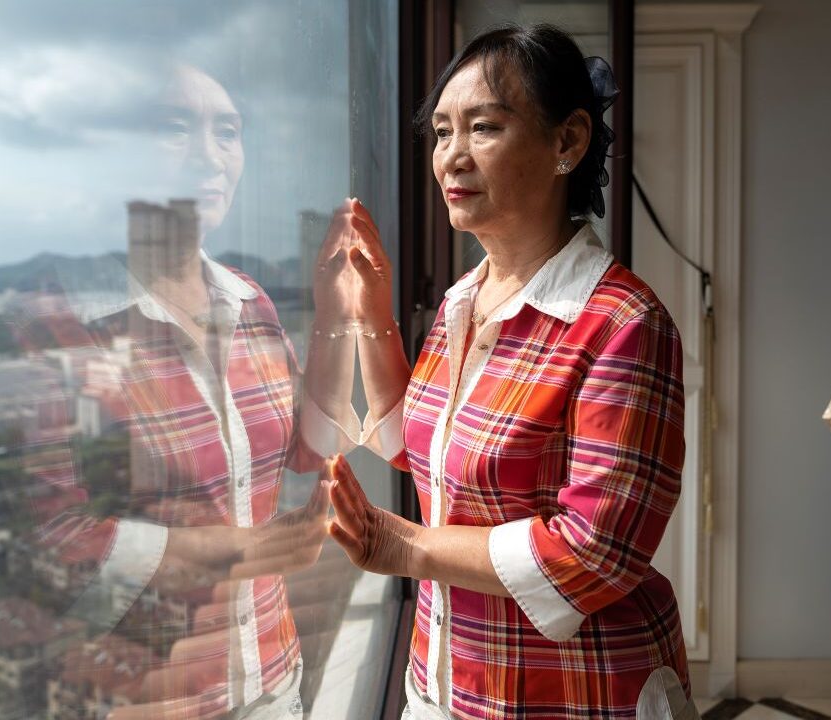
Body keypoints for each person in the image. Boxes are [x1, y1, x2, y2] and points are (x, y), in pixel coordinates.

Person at [323, 24, 698, 719]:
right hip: (444, 680)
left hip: (574, 694)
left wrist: (402, 543)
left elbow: (594, 555)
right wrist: (374, 310)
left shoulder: (622, 323)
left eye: (483, 127)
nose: (451, 158)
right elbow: (428, 452)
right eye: (441, 133)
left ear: (568, 142)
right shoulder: (465, 300)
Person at [10, 63, 369, 719]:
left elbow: (310, 451)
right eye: (176, 129)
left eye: (227, 132)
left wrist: (336, 315)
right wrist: (243, 549)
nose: (210, 156)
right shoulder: (58, 323)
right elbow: (54, 538)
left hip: (272, 675)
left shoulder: (249, 300)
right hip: (148, 698)